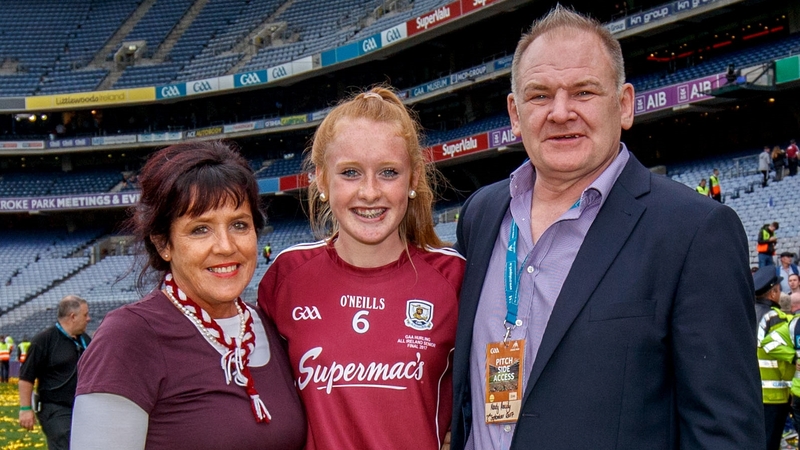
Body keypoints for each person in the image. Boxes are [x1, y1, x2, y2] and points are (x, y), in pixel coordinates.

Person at [449, 6, 762, 449]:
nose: (561, 112)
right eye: (539, 96)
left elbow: (724, 433)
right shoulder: (481, 214)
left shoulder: (695, 232)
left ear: (625, 105)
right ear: (515, 115)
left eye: (584, 92)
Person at [258, 87, 465, 450]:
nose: (369, 192)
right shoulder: (286, 276)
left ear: (413, 178)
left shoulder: (454, 278)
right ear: (322, 180)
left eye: (388, 172)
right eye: (351, 173)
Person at [71, 141, 306, 449]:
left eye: (239, 225)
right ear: (162, 244)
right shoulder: (129, 338)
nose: (225, 246)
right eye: (200, 229)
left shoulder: (273, 326)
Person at [18, 295, 91, 450]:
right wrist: (25, 409)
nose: (89, 319)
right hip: (54, 408)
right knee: (65, 443)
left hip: (80, 407)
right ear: (73, 316)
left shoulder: (85, 340)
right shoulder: (44, 340)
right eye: (85, 315)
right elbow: (26, 377)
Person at [754, 267, 795, 450]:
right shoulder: (776, 317)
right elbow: (783, 361)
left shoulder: (746, 313)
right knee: (771, 441)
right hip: (774, 395)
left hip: (752, 391)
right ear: (773, 293)